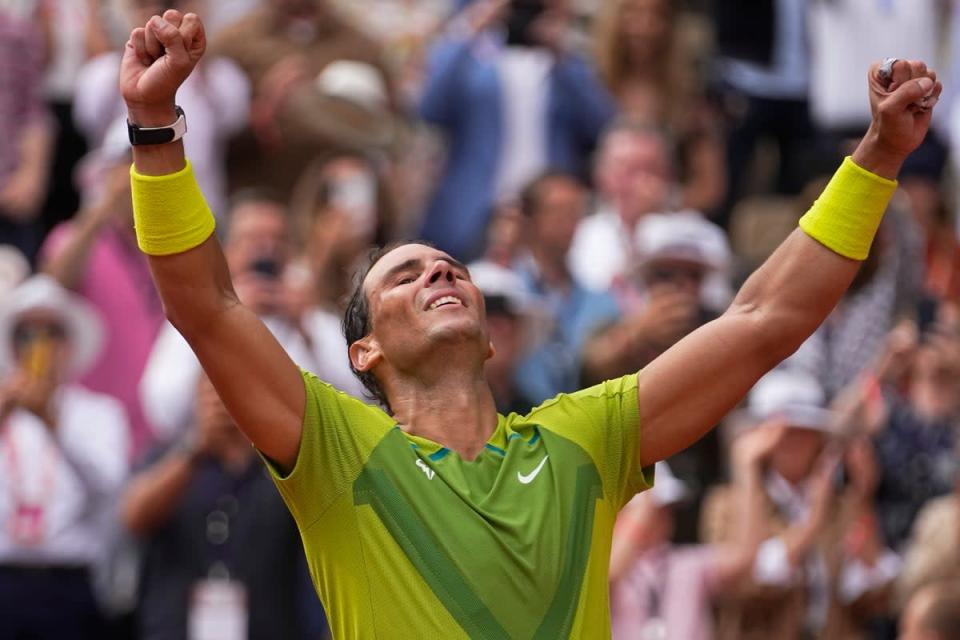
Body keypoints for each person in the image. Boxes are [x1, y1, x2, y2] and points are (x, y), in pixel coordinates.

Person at [119, 9, 940, 637]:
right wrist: (155, 129)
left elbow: (765, 318)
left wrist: (875, 159)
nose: (440, 271)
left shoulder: (583, 437)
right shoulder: (337, 450)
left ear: (489, 329)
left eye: (452, 268)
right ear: (363, 350)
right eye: (405, 275)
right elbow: (209, 306)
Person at [122, 374, 326, 640]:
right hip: (176, 627)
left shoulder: (283, 465)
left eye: (232, 390)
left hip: (272, 627)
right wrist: (196, 448)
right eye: (212, 392)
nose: (223, 401)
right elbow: (133, 518)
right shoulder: (168, 456)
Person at [702, 369, 900, 640]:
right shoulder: (724, 506)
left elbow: (877, 600)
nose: (793, 442)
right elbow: (744, 590)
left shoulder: (842, 505)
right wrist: (811, 524)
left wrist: (864, 496)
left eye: (805, 431)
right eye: (782, 432)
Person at [417, 0, 615, 260]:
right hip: (474, 209)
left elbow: (601, 125)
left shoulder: (565, 63)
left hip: (547, 208)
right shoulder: (475, 57)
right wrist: (474, 23)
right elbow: (429, 107)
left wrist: (561, 50)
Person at [0, 275, 130, 639]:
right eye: (25, 335)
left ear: (68, 344)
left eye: (49, 333)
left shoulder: (99, 413)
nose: (36, 345)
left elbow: (110, 487)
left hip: (69, 584)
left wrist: (53, 423)